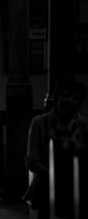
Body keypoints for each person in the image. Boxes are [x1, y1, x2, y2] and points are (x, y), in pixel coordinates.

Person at [24, 76, 88, 218]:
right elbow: (32, 160)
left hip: (78, 185)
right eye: (65, 95)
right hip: (48, 185)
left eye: (75, 98)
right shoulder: (40, 123)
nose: (69, 101)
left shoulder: (84, 125)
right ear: (57, 96)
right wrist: (54, 176)